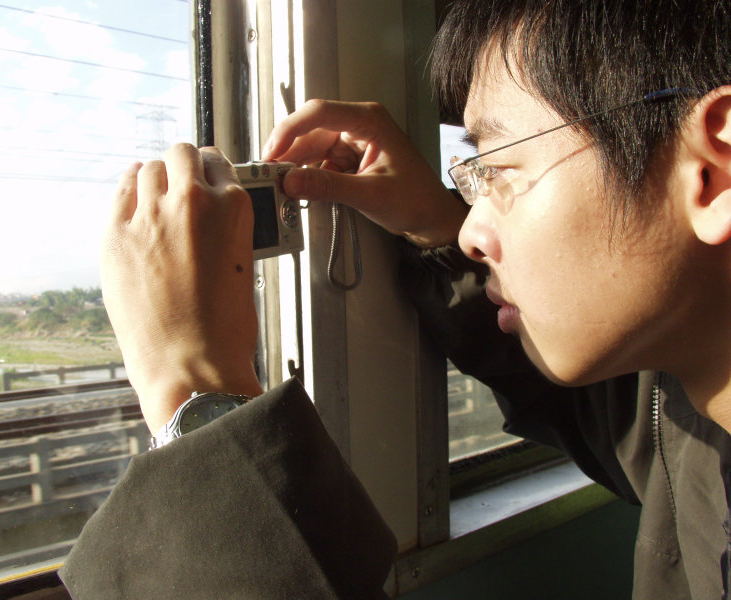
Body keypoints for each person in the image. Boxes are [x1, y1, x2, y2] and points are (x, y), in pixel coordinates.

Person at [59, 0, 731, 598]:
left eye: (497, 170)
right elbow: (615, 418)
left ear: (712, 172)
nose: (471, 231)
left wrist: (195, 392)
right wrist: (428, 225)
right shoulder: (692, 418)